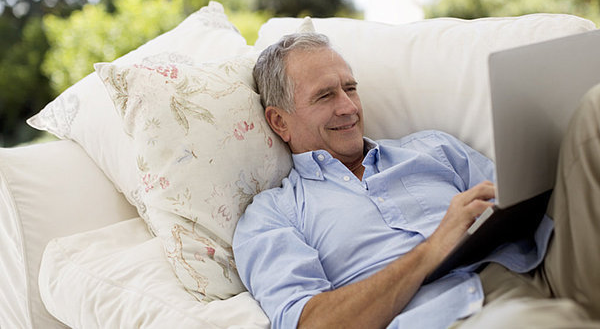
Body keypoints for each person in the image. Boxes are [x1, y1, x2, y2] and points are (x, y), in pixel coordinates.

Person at [232, 23, 600, 328]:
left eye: (350, 88)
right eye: (324, 96)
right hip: (460, 317)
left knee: (594, 108)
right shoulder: (272, 215)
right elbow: (310, 323)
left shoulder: (432, 147)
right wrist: (432, 249)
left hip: (546, 267)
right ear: (279, 121)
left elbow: (517, 198)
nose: (347, 107)